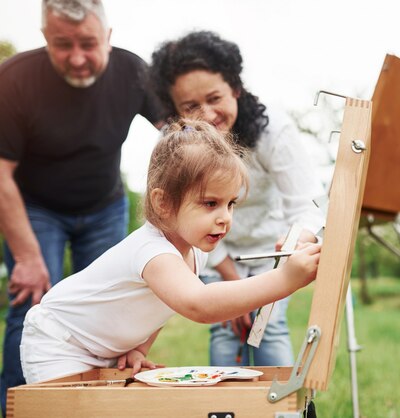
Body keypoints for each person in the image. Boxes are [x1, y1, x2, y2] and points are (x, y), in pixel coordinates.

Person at [19, 119, 321, 384]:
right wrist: (285, 280)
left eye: (231, 203)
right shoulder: (153, 252)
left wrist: (139, 349)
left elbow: (162, 307)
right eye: (210, 203)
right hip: (59, 343)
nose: (225, 217)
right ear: (163, 203)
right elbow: (199, 305)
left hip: (101, 349)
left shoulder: (194, 251)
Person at [0, 0, 163, 412]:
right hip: (36, 209)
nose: (77, 58)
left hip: (103, 206)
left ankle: (100, 409)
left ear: (108, 36)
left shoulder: (133, 72)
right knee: (32, 314)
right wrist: (26, 256)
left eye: (88, 43)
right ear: (44, 39)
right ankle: (21, 409)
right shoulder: (14, 79)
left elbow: (180, 135)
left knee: (114, 321)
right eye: (62, 44)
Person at [149, 31, 325, 367]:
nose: (207, 114)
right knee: (225, 330)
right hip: (212, 252)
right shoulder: (176, 145)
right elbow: (179, 223)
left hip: (272, 251)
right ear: (175, 109)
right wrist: (230, 280)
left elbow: (309, 204)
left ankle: (279, 407)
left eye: (215, 98)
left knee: (268, 328)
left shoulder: (273, 130)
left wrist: (295, 241)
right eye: (190, 106)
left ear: (235, 88)